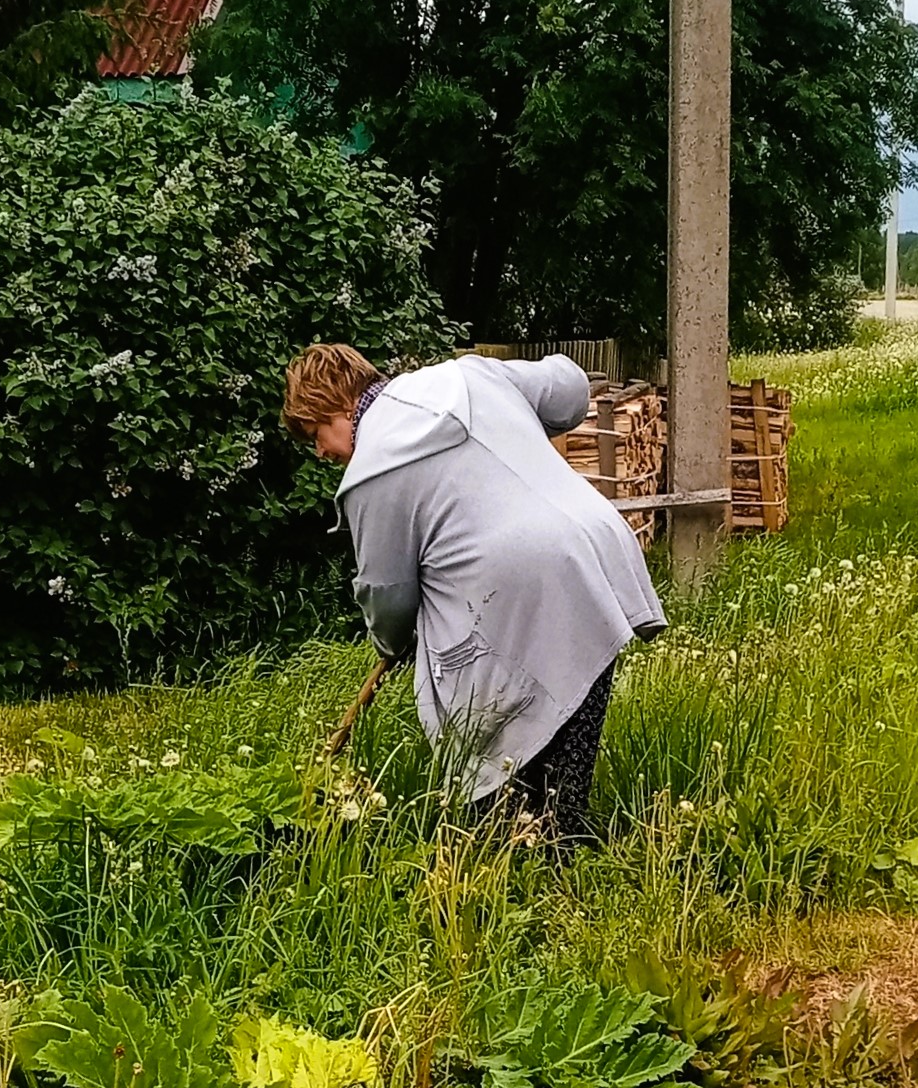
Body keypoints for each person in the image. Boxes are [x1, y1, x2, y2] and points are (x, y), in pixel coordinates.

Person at [283, 343, 666, 840]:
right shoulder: (467, 377)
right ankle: (562, 846)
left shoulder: (369, 474)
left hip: (516, 590)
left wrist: (390, 642)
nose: (321, 452)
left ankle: (530, 858)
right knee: (568, 740)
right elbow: (569, 387)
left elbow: (389, 595)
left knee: (503, 765)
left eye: (316, 435)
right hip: (591, 555)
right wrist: (516, 418)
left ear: (333, 406)